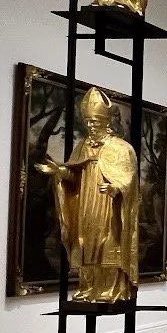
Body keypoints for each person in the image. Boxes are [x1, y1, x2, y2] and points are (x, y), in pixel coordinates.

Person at [37, 87, 140, 302]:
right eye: (89, 122)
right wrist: (60, 172)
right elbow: (75, 176)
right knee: (86, 243)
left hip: (108, 205)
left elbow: (129, 178)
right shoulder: (82, 146)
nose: (91, 126)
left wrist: (116, 188)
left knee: (108, 243)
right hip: (87, 203)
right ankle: (88, 287)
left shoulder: (121, 148)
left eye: (96, 122)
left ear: (106, 122)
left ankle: (110, 289)